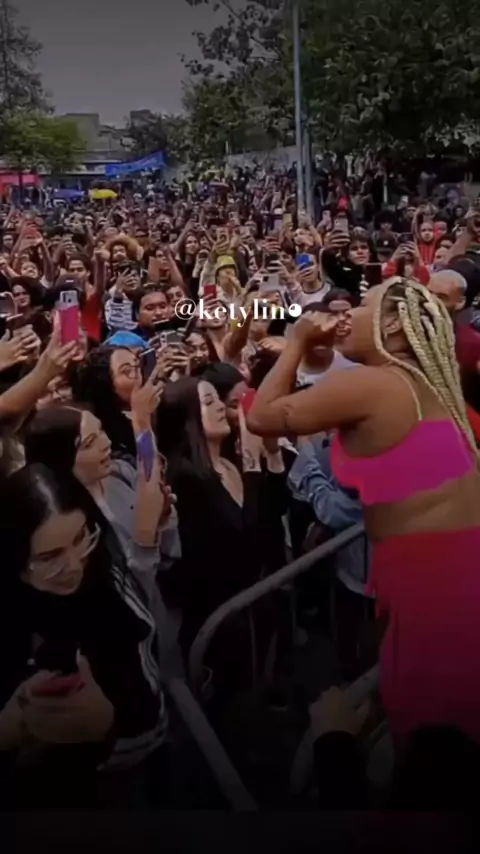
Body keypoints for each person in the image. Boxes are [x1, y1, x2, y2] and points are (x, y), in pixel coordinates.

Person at [247, 277, 480, 745]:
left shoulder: (375, 383)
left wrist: (296, 341)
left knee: (435, 742)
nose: (344, 316)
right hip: (449, 574)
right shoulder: (425, 381)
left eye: (361, 305)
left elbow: (261, 417)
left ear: (391, 324)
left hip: (433, 591)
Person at [0, 465, 170, 806]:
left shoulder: (113, 595)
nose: (75, 565)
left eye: (81, 538)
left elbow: (153, 721)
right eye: (49, 557)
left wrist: (107, 729)